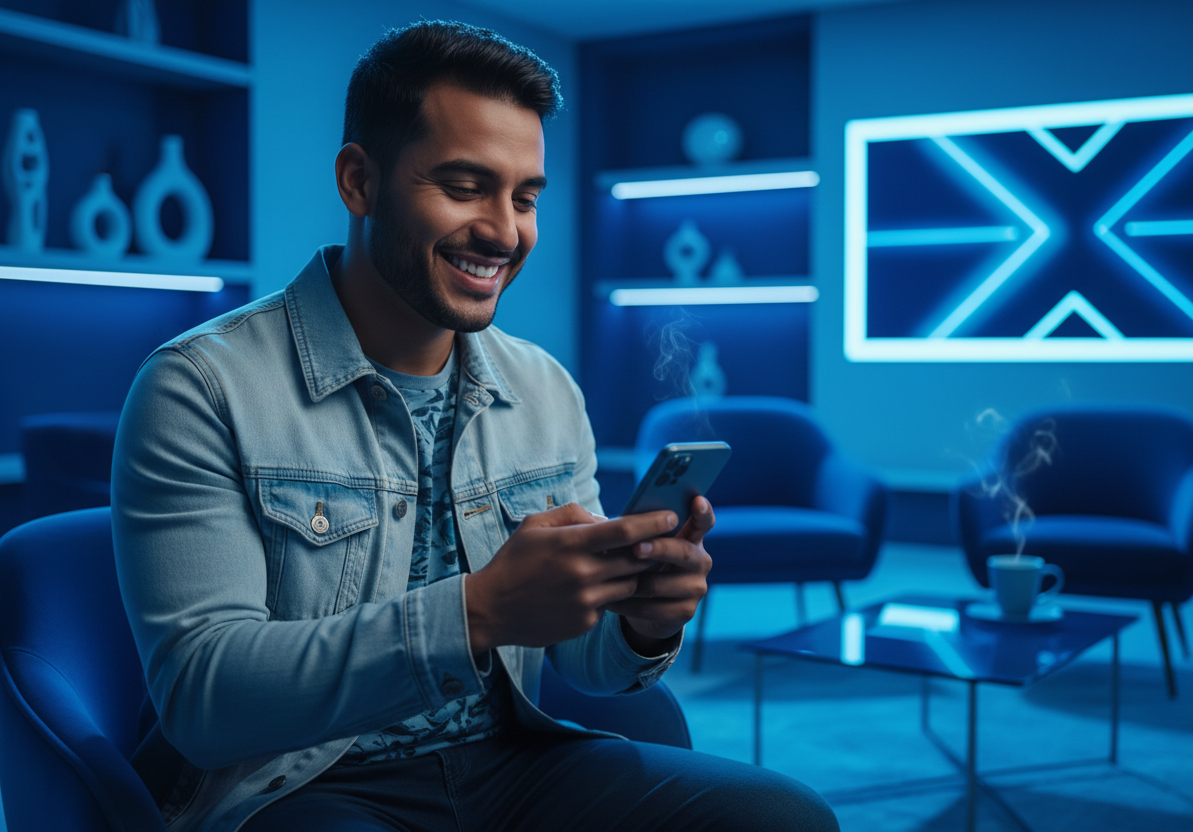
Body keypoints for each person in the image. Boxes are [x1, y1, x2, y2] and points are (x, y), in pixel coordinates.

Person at [112, 20, 839, 832]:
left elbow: (584, 662)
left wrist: (641, 618)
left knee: (784, 816)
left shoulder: (543, 388)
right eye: (464, 187)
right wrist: (478, 612)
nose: (505, 231)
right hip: (300, 787)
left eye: (524, 197)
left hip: (512, 763)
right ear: (359, 181)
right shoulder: (199, 385)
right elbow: (202, 702)